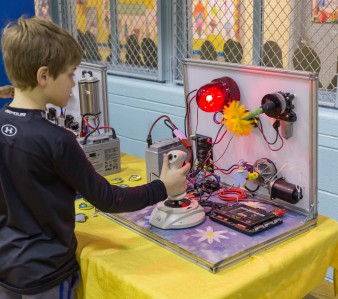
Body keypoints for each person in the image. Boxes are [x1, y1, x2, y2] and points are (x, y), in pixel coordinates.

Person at [0, 16, 190, 298]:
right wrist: (163, 187)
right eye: (70, 74)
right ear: (43, 76)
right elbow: (109, 199)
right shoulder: (57, 140)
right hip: (47, 277)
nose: (73, 83)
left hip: (8, 269)